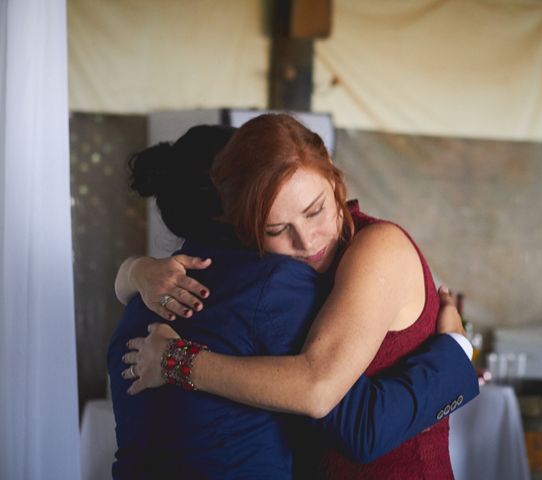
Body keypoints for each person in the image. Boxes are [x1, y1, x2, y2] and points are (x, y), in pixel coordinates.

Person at [111, 116, 478, 479]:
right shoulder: (265, 278)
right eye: (276, 228)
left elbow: (329, 399)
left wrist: (457, 350)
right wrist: (133, 270)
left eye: (315, 210)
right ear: (243, 221)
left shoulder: (376, 247)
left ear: (334, 177)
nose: (307, 242)